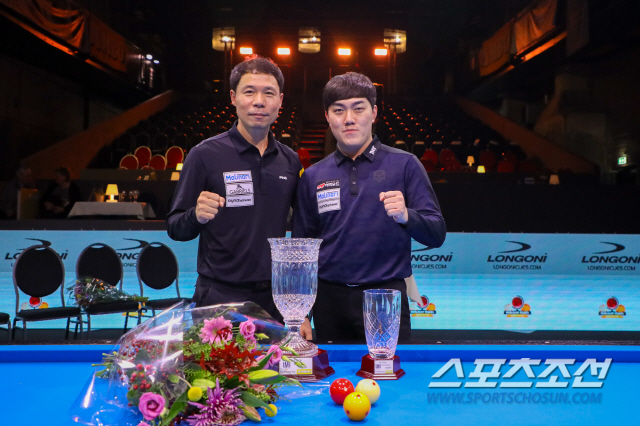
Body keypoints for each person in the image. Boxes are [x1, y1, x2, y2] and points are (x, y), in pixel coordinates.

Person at [292, 72, 446, 342]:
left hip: (385, 297)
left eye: (358, 108)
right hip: (329, 301)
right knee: (332, 381)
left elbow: (436, 234)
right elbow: (303, 249)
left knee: (388, 381)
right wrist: (301, 312)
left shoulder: (406, 165)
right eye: (338, 110)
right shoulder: (314, 176)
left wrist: (406, 216)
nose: (348, 119)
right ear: (327, 117)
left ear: (374, 113)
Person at [167, 56, 307, 332]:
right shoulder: (204, 155)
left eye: (268, 93)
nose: (259, 101)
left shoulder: (290, 162)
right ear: (233, 97)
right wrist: (196, 215)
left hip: (274, 301)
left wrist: (300, 308)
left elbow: (302, 236)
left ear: (280, 101)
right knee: (215, 376)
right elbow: (175, 227)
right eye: (249, 91)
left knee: (275, 377)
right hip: (219, 298)